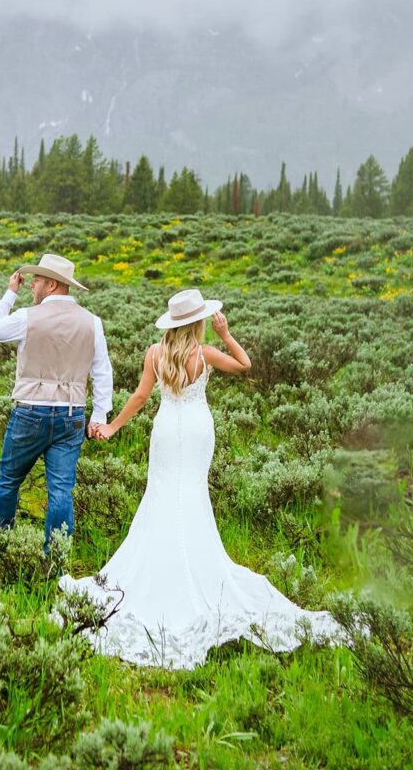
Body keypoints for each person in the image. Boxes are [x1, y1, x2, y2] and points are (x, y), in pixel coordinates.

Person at [58, 287, 344, 669]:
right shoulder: (204, 353)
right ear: (198, 322)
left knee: (160, 495)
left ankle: (159, 568)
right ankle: (194, 563)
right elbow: (245, 365)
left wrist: (112, 427)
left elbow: (141, 397)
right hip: (196, 430)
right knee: (191, 496)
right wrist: (226, 333)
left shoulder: (155, 354)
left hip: (165, 430)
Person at [0, 253, 113, 545]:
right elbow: (103, 372)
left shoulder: (28, 316)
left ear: (52, 285)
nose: (33, 285)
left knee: (8, 482)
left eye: (38, 280)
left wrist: (9, 293)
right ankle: (56, 559)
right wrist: (99, 416)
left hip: (30, 413)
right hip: (72, 416)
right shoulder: (92, 322)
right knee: (61, 491)